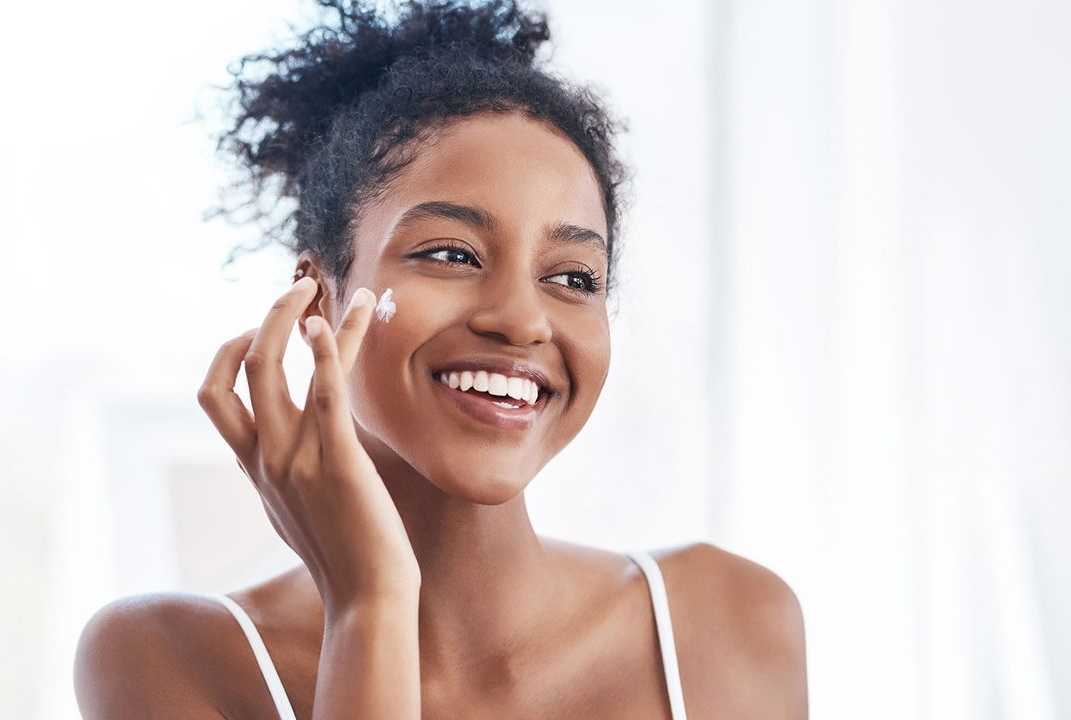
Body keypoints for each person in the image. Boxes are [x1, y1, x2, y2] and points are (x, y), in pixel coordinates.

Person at [74, 1, 807, 717]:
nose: (522, 320)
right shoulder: (166, 658)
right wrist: (371, 603)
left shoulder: (726, 624)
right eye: (452, 254)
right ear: (318, 299)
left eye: (571, 277)